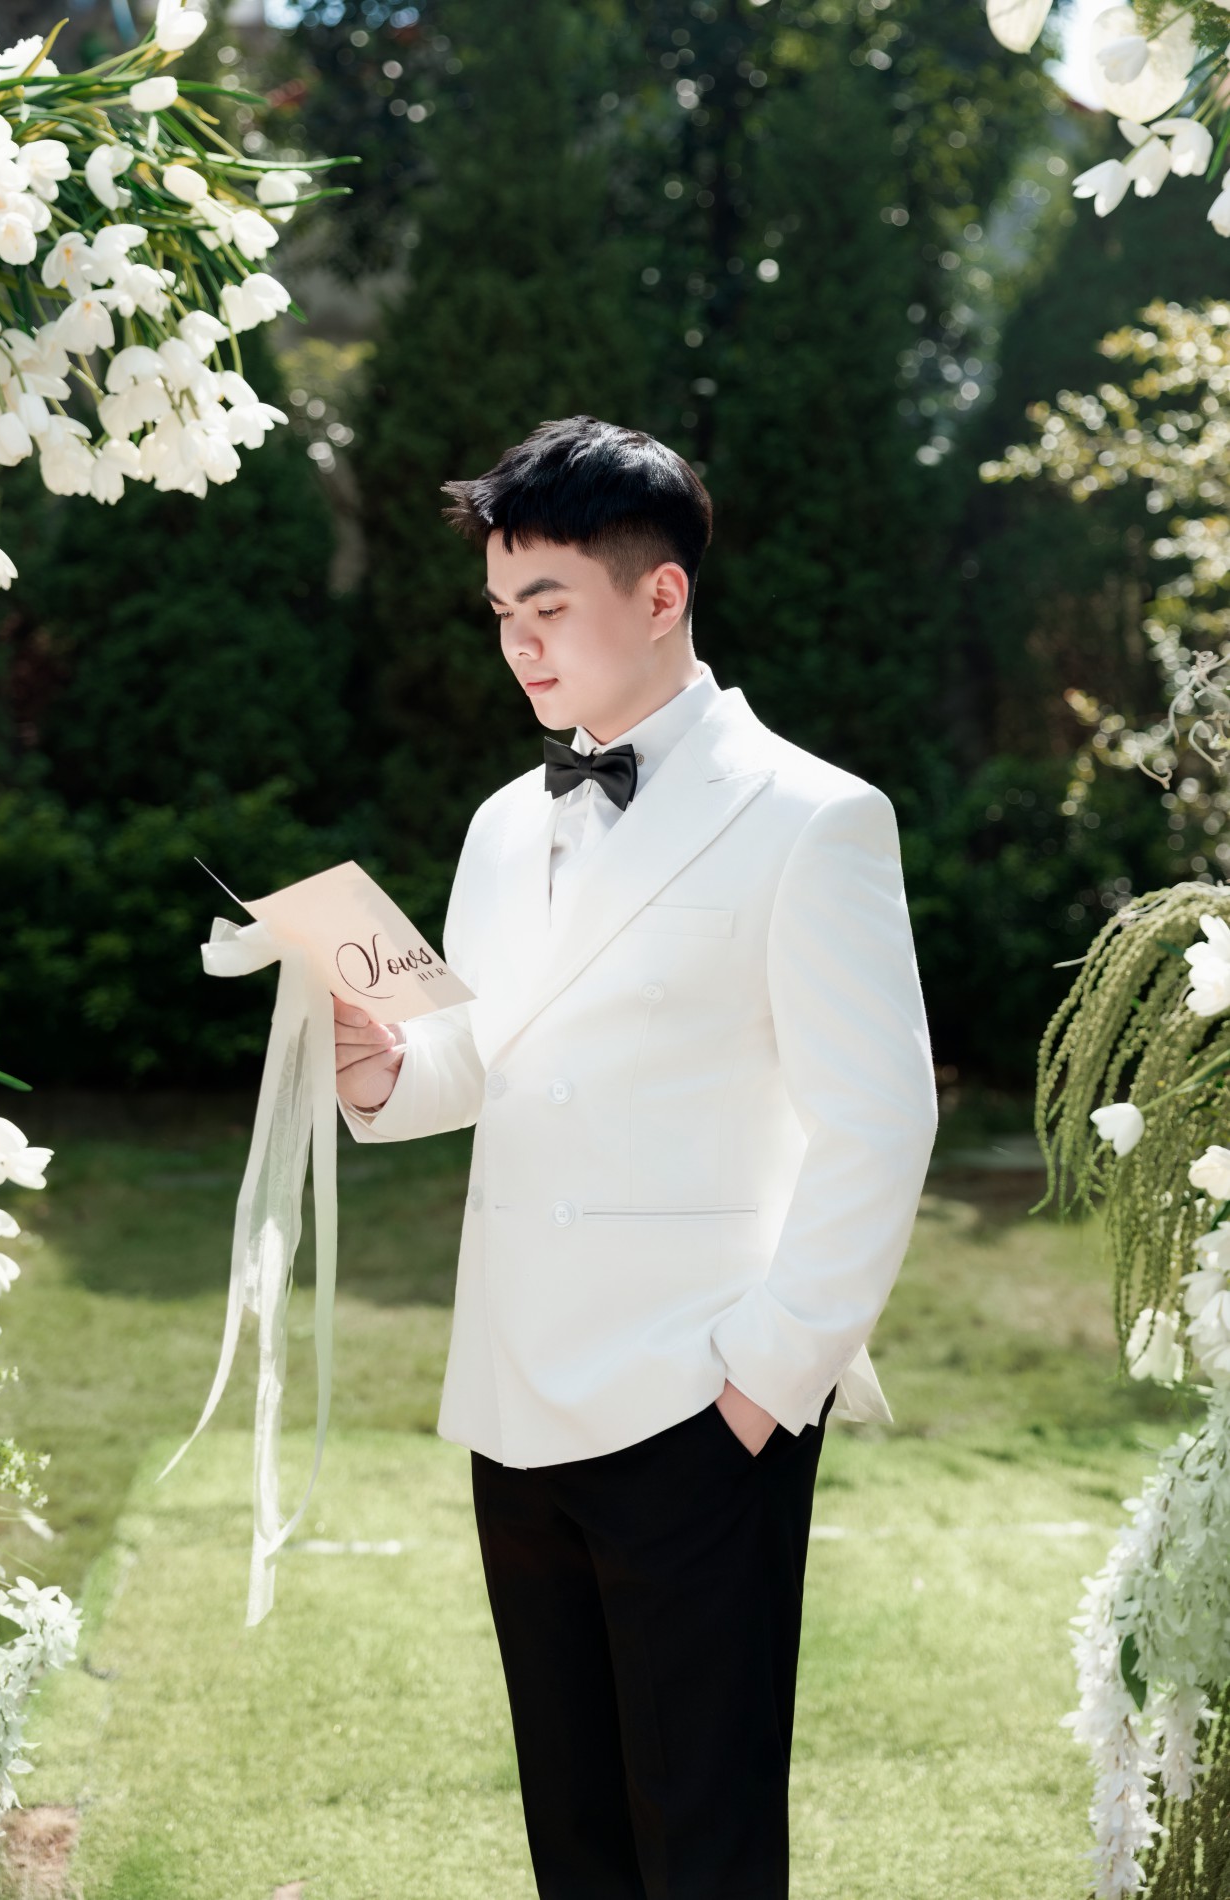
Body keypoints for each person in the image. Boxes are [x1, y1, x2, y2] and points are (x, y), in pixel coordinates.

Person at [333, 414, 938, 1900]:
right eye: (500, 612)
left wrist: (762, 1387)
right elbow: (488, 1054)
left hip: (697, 1403)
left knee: (703, 1848)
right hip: (513, 1396)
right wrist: (384, 1069)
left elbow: (881, 1122)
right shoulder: (501, 824)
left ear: (660, 594)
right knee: (579, 1842)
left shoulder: (814, 817)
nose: (518, 644)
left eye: (547, 606)